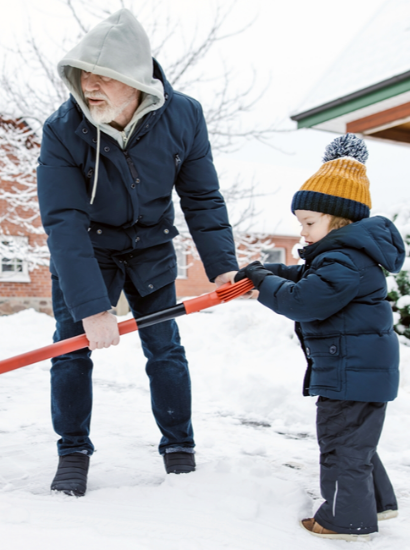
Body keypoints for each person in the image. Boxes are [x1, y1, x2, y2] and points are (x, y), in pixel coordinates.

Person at [36, 9, 239, 497]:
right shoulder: (63, 129)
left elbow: (201, 196)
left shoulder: (183, 116)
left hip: (150, 245)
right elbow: (63, 222)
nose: (89, 86)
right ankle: (73, 451)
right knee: (71, 349)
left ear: (134, 79)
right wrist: (92, 308)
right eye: (83, 75)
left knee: (165, 347)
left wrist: (222, 264)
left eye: (101, 76)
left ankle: (179, 446)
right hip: (88, 248)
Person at [234, 133, 404, 541]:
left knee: (341, 445)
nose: (302, 232)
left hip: (351, 375)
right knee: (356, 443)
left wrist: (264, 282)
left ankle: (345, 520)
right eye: (300, 224)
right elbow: (305, 279)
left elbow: (304, 301)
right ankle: (377, 504)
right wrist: (268, 274)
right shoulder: (346, 256)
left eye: (309, 223)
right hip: (357, 372)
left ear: (340, 221)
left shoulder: (343, 260)